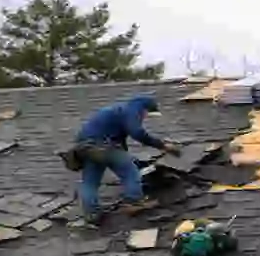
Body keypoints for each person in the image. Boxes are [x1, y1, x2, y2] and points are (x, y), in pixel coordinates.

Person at [71, 95, 182, 223]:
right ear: (144, 108)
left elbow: (121, 147)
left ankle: (91, 214)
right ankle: (134, 202)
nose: (145, 116)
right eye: (147, 113)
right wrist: (163, 146)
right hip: (102, 146)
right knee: (130, 171)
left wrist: (131, 158)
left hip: (84, 148)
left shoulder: (117, 110)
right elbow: (137, 132)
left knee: (90, 182)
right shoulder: (132, 110)